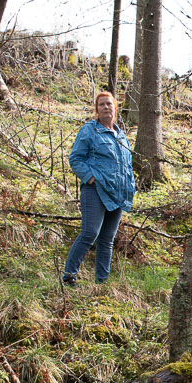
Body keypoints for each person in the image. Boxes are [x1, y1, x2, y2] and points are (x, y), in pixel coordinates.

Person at [62, 91, 135, 285]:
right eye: (101, 104)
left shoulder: (121, 136)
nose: (105, 107)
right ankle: (69, 276)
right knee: (89, 233)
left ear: (115, 108)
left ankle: (101, 282)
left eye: (109, 104)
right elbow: (75, 159)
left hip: (118, 194)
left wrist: (129, 188)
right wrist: (92, 178)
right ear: (97, 109)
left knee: (107, 240)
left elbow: (127, 166)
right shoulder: (89, 130)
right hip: (95, 191)